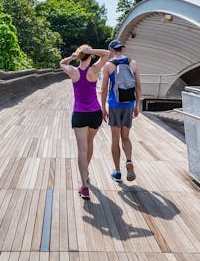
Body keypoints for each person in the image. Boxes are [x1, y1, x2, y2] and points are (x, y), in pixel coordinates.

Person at [60, 44, 110, 199]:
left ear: (79, 56)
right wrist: (92, 51)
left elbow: (62, 63)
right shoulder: (94, 70)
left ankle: (84, 186)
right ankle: (86, 172)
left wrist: (72, 57)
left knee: (82, 149)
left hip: (80, 114)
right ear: (89, 57)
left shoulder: (73, 71)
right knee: (89, 144)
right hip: (95, 113)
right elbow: (107, 54)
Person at [101, 40, 141, 182]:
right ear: (122, 49)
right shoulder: (133, 63)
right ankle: (129, 160)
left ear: (111, 50)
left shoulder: (108, 65)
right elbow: (138, 86)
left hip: (114, 104)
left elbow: (104, 88)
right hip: (129, 105)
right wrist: (137, 105)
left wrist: (103, 108)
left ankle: (117, 172)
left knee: (115, 138)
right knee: (126, 137)